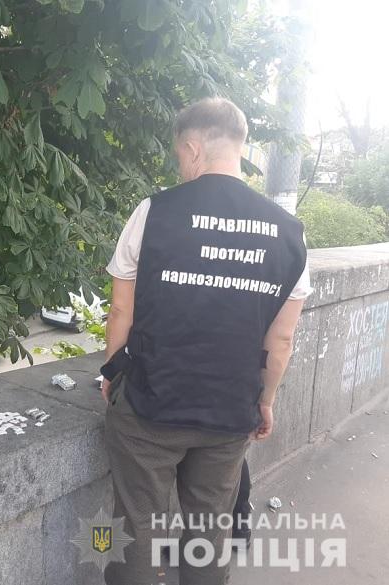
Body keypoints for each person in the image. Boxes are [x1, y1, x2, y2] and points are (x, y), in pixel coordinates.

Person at [100, 97, 313, 585]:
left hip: (150, 404)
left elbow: (120, 311)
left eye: (180, 154)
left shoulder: (155, 212)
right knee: (210, 528)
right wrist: (265, 400)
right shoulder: (289, 232)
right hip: (230, 408)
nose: (181, 164)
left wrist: (112, 372)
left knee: (135, 526)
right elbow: (281, 339)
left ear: (193, 147)